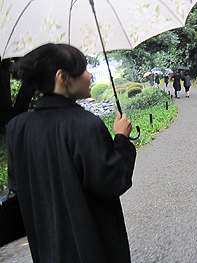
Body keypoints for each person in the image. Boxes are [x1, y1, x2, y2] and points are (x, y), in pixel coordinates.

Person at [6, 43, 136, 263]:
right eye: (84, 69)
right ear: (63, 77)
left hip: (48, 247)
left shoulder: (17, 127)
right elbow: (113, 181)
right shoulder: (85, 125)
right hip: (92, 247)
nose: (90, 74)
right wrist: (121, 139)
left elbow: (17, 185)